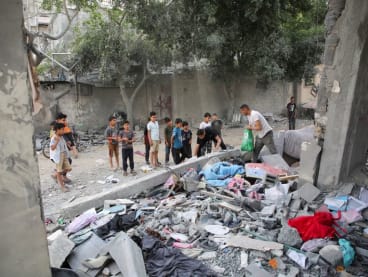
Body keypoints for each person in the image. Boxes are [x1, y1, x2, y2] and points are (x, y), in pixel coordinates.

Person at [50, 122, 72, 192]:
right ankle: (62, 187)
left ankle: (55, 175)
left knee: (68, 168)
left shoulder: (61, 136)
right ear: (57, 130)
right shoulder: (54, 138)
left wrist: (68, 145)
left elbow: (63, 144)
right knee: (59, 172)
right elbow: (52, 148)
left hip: (64, 154)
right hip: (58, 156)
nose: (63, 131)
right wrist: (56, 142)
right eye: (62, 129)